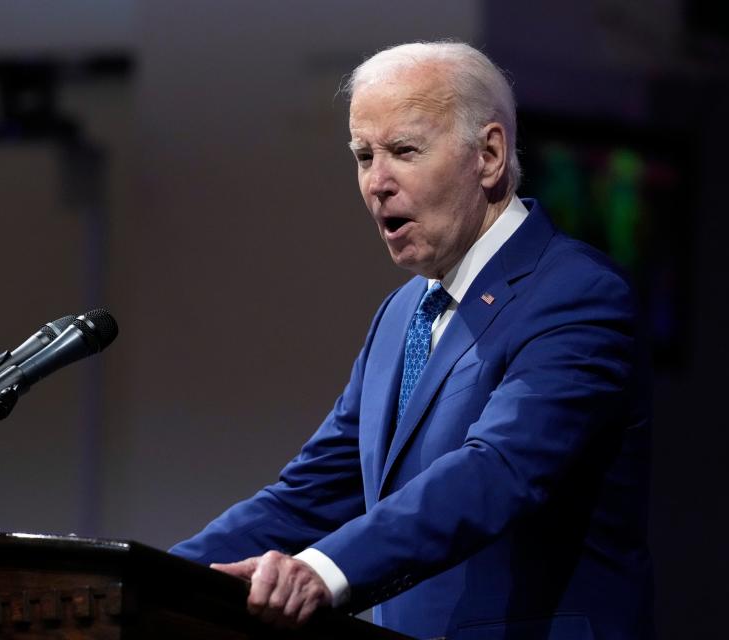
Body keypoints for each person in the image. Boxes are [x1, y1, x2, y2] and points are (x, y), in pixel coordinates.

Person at [170, 41, 652, 640]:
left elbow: (497, 471)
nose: (377, 182)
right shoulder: (403, 314)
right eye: (363, 155)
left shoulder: (576, 295)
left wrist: (323, 569)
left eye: (403, 151)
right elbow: (312, 494)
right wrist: (155, 579)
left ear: (490, 155)